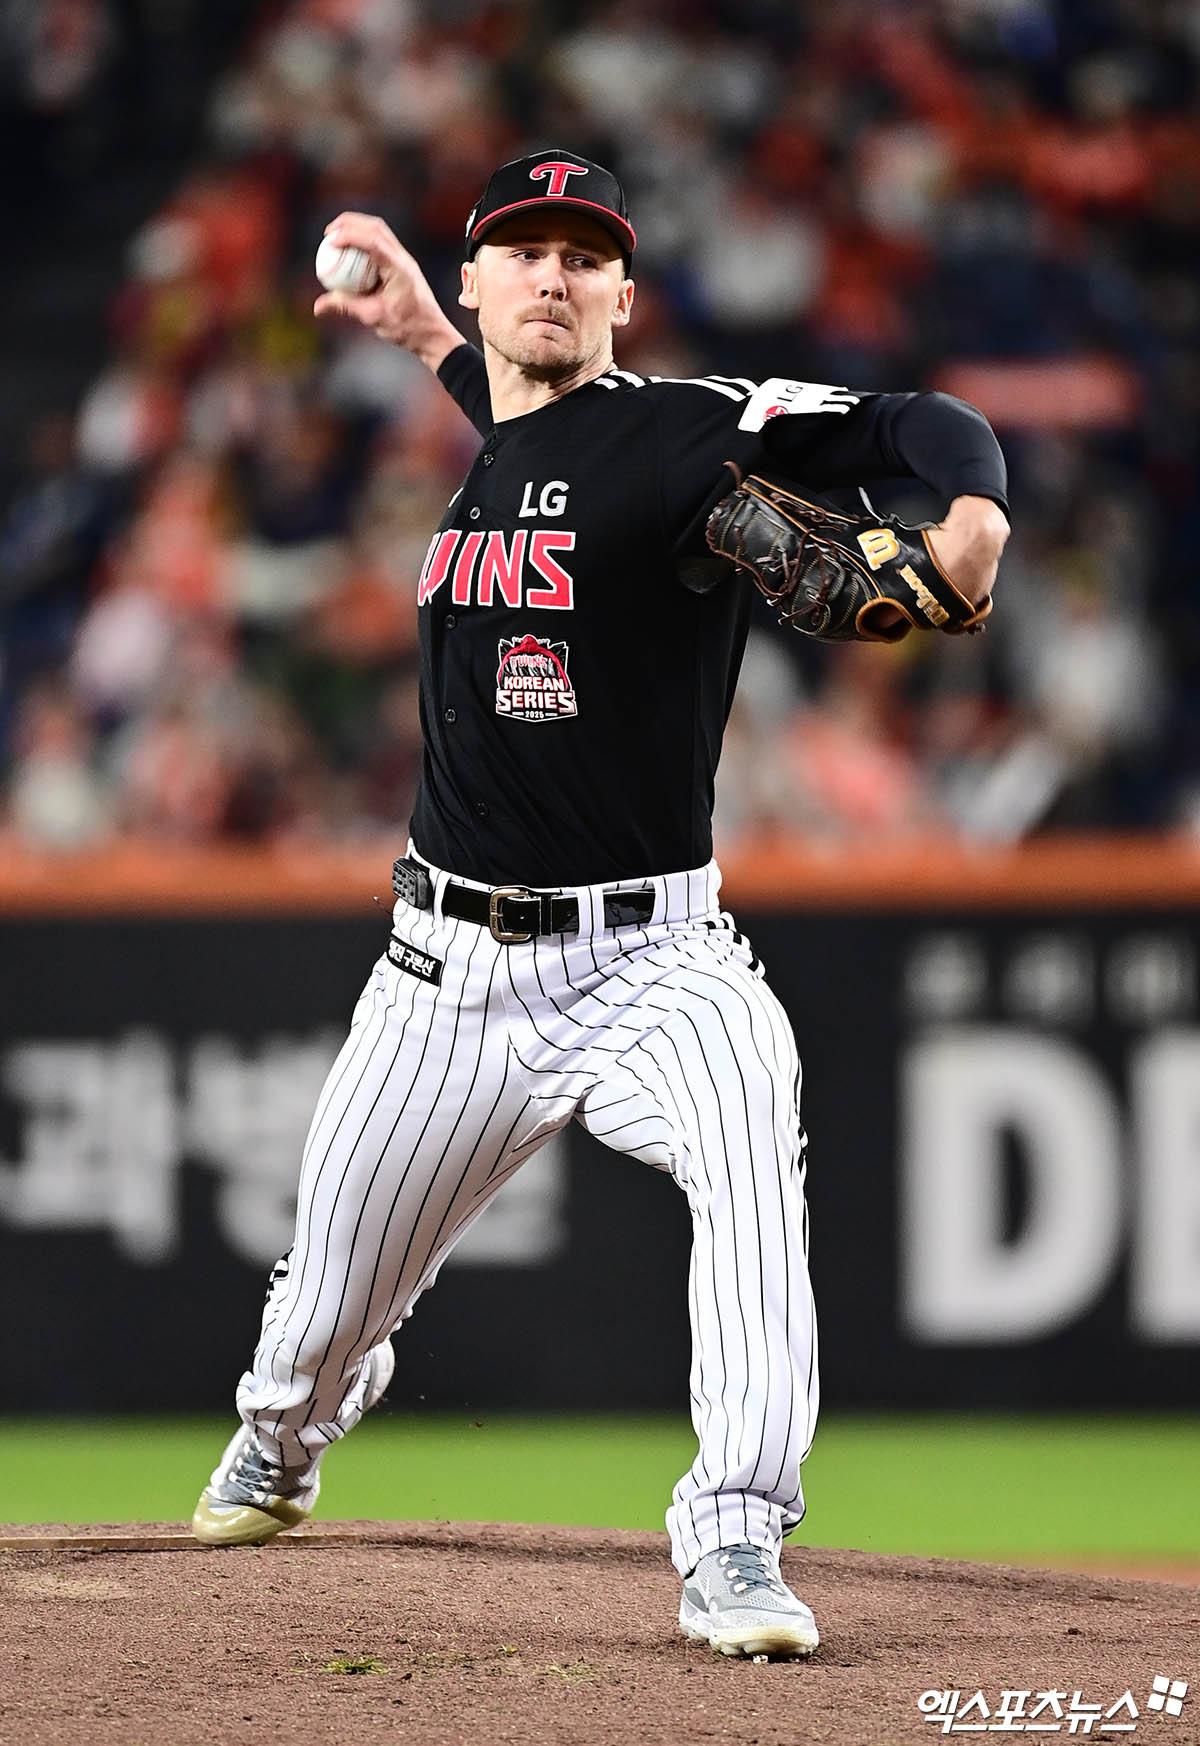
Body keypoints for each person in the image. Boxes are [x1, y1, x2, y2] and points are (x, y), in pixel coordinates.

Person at [192, 150, 1009, 1659]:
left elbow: (920, 422)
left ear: (624, 292)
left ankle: (738, 1532)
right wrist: (422, 333)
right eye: (526, 251)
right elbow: (528, 431)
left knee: (751, 1136)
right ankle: (287, 1434)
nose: (554, 276)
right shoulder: (508, 433)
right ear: (481, 281)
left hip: (655, 957)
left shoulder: (689, 432)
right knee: (316, 1320)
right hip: (443, 977)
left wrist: (973, 514)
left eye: (584, 256)